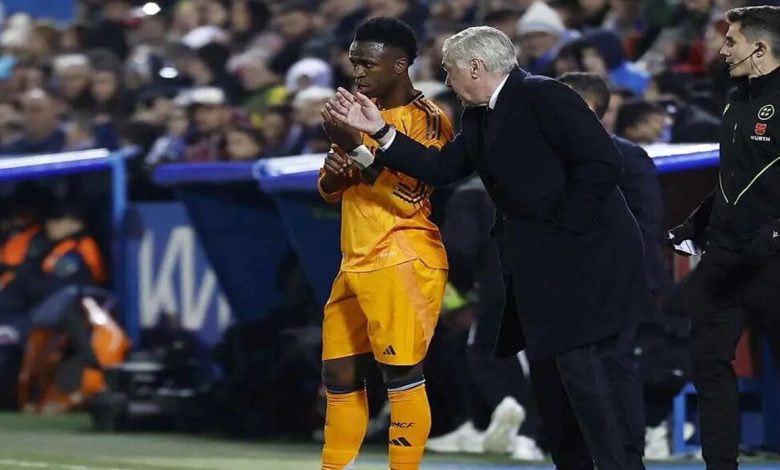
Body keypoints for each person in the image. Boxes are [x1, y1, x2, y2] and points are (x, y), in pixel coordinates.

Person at [327, 26, 649, 470]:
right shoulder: (480, 115)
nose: (446, 79)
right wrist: (379, 131)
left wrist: (563, 230)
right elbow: (442, 168)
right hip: (539, 270)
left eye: (450, 69)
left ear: (475, 67)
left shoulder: (544, 95)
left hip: (588, 263)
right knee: (553, 384)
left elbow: (601, 163)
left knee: (589, 375)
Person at [316, 18, 454, 470]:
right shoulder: (360, 110)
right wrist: (335, 170)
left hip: (403, 254)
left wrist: (356, 150)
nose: (357, 72)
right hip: (354, 258)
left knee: (400, 372)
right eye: (354, 62)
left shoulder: (428, 118)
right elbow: (330, 188)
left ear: (399, 64)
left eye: (367, 64)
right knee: (338, 372)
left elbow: (411, 196)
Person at [667, 6, 780, 470]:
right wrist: (698, 221)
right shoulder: (735, 99)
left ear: (761, 47)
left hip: (773, 260)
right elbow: (736, 178)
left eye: (731, 41)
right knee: (708, 363)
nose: (722, 50)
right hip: (725, 258)